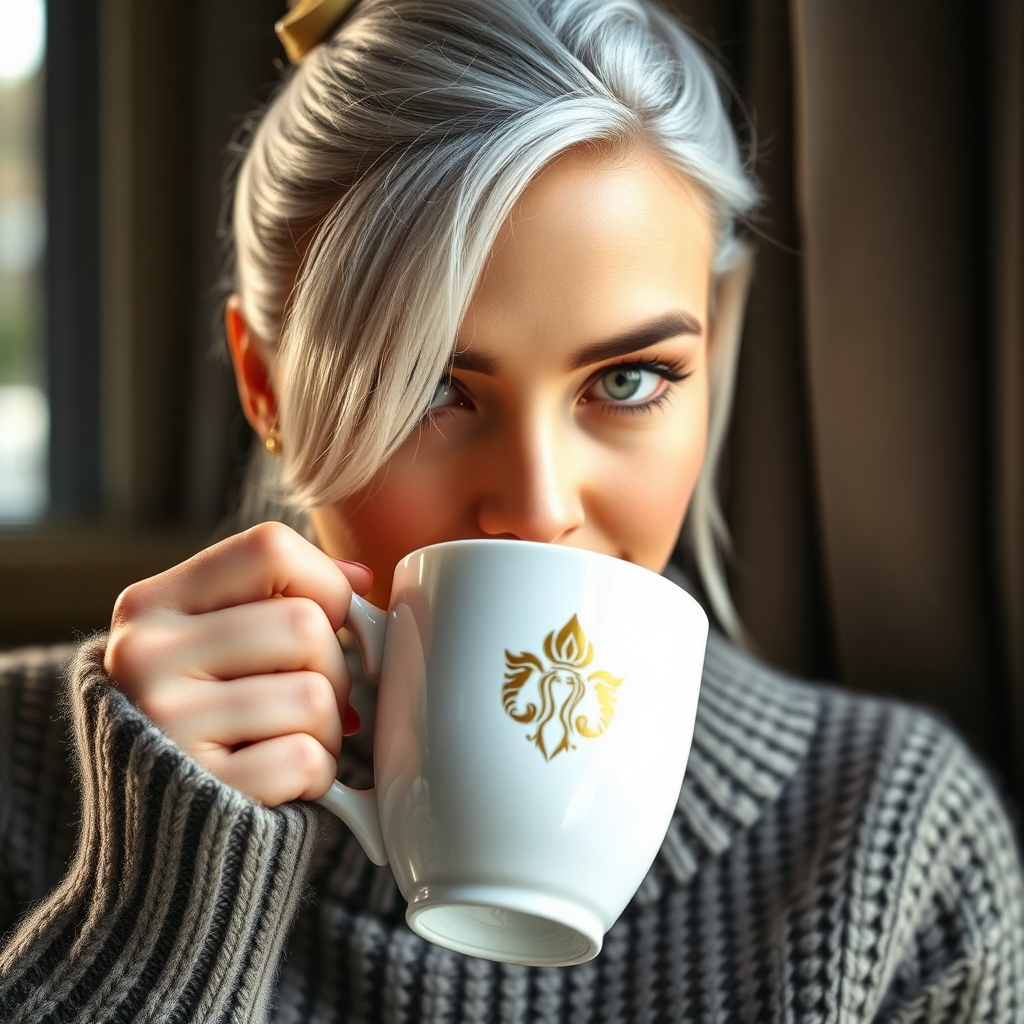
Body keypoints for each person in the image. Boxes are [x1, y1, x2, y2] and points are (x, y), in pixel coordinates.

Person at [2, 0, 1023, 1020]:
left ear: (721, 341)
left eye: (628, 381)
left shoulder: (900, 839)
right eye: (428, 387)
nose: (538, 507)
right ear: (263, 386)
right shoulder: (20, 771)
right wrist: (153, 903)